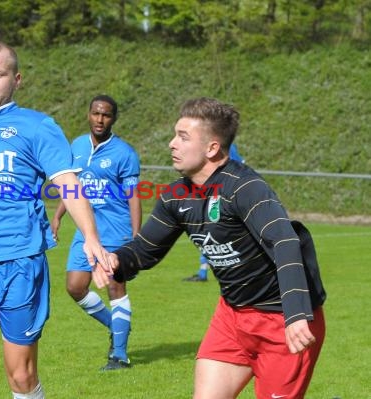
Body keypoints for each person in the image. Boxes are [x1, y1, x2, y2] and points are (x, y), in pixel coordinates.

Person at [94, 97, 326, 398]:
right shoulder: (176, 196)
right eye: (175, 134)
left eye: (183, 137)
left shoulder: (245, 187)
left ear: (212, 148)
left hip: (283, 323)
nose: (171, 144)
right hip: (232, 318)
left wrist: (296, 314)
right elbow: (144, 250)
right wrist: (115, 260)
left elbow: (284, 241)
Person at [0, 41, 109, 399]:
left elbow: (67, 184)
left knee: (21, 376)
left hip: (20, 262)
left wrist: (90, 236)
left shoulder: (37, 127)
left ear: (16, 79)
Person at [50, 95, 142, 371]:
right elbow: (71, 187)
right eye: (96, 114)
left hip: (115, 231)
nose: (100, 119)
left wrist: (136, 240)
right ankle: (116, 326)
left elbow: (134, 197)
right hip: (84, 232)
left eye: (106, 115)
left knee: (115, 287)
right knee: (75, 287)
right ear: (88, 114)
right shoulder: (76, 146)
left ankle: (120, 356)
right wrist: (57, 216)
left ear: (114, 119)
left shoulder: (124, 153)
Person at [183, 142, 244, 282]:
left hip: (219, 195)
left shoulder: (225, 145)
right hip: (209, 194)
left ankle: (235, 270)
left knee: (217, 232)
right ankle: (203, 271)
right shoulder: (209, 143)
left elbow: (239, 167)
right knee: (208, 232)